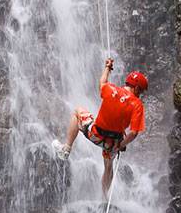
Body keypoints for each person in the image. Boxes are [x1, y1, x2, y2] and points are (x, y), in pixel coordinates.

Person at [55, 57, 148, 195]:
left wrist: (107, 68)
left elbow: (102, 82)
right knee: (108, 168)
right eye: (140, 92)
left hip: (95, 135)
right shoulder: (137, 105)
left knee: (77, 112)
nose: (140, 95)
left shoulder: (111, 89)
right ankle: (104, 195)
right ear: (137, 88)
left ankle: (66, 148)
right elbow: (133, 133)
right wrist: (120, 145)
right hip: (111, 144)